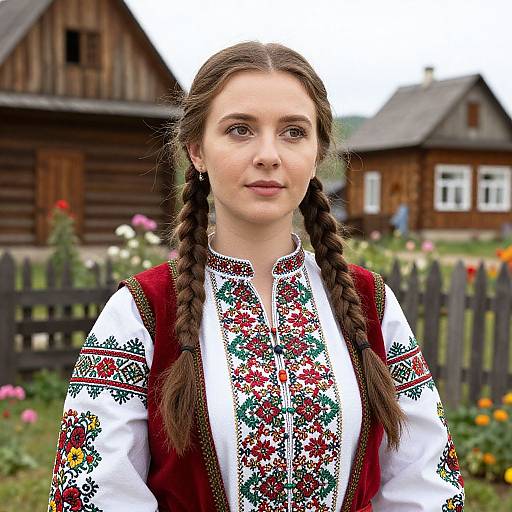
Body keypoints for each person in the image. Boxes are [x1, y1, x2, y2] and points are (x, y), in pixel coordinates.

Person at [47, 41, 464, 512]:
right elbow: (94, 495)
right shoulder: (142, 312)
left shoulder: (370, 303)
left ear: (317, 152)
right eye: (240, 130)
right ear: (197, 151)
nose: (269, 154)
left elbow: (426, 483)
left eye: (292, 132)